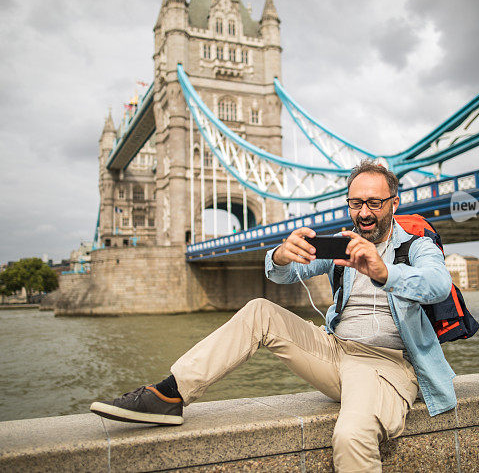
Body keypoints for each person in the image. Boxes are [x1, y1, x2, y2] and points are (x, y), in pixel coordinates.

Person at [90, 160, 456, 472]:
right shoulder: (342, 245)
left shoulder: (416, 246)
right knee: (260, 311)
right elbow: (279, 275)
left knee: (352, 437)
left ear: (394, 202)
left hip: (385, 365)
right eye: (356, 202)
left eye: (374, 203)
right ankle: (170, 395)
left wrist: (383, 271)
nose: (364, 212)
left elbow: (437, 285)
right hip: (335, 351)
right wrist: (281, 254)